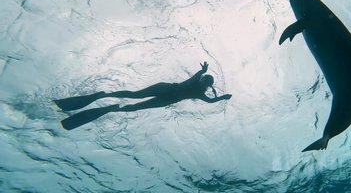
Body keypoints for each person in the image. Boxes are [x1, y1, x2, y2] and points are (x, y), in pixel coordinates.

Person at [54, 62, 232, 130]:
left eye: (205, 81)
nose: (202, 82)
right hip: (163, 90)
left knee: (135, 107)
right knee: (135, 95)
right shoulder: (196, 84)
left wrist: (222, 98)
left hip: (165, 98)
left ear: (207, 85)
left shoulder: (198, 92)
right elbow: (197, 78)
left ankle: (111, 108)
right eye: (203, 80)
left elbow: (210, 100)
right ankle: (105, 95)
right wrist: (202, 70)